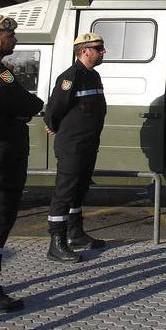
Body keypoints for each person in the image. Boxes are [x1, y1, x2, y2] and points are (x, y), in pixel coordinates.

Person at [43, 32, 108, 263]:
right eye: (98, 48)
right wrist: (52, 126)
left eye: (102, 48)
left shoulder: (94, 75)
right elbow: (53, 109)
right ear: (84, 51)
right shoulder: (70, 77)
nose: (103, 52)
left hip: (89, 144)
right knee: (65, 191)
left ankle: (76, 234)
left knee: (79, 190)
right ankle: (56, 244)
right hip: (72, 146)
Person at [0, 17, 44, 310]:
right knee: (2, 216)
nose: (14, 40)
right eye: (8, 34)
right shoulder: (2, 73)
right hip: (4, 159)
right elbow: (27, 104)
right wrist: (26, 110)